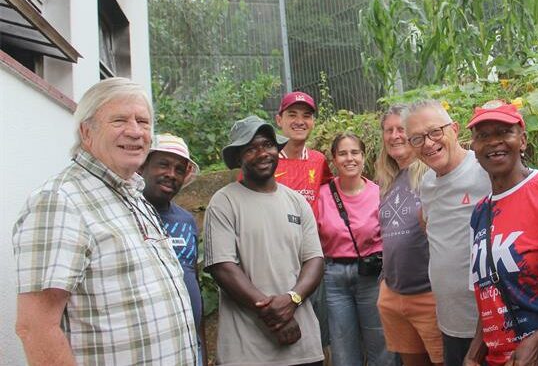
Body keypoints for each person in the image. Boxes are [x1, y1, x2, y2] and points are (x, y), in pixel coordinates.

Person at [13, 78, 197, 365]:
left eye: (143, 122)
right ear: (86, 132)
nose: (135, 132)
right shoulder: (61, 201)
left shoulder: (133, 194)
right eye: (120, 120)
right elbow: (35, 328)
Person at [204, 115, 325, 365]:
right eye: (251, 148)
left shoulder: (297, 201)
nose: (262, 153)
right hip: (247, 350)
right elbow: (222, 267)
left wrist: (292, 300)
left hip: (302, 344)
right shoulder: (224, 202)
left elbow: (314, 260)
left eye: (268, 145)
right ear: (238, 157)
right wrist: (274, 315)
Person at [463, 101, 538, 366]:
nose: (493, 142)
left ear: (522, 141)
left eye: (503, 132)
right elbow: (487, 291)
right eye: (483, 136)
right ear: (473, 148)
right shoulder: (479, 213)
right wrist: (474, 352)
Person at [404, 100, 491, 366]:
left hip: (490, 324)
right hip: (451, 324)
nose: (428, 143)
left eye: (435, 132)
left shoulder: (485, 171)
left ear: (454, 129)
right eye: (417, 138)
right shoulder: (427, 183)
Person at [316, 133, 395, 365]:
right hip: (334, 277)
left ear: (363, 156)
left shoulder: (379, 193)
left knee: (381, 341)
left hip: (371, 275)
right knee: (342, 346)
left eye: (354, 153)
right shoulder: (322, 196)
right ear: (334, 159)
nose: (349, 158)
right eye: (342, 153)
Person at [374, 105, 444, 366]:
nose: (394, 136)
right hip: (394, 293)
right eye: (388, 130)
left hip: (428, 293)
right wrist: (385, 283)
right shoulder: (388, 180)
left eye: (401, 129)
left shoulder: (432, 174)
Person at [139, 133, 206, 364]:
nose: (171, 174)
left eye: (179, 169)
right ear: (143, 166)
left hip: (190, 344)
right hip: (152, 350)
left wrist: (202, 347)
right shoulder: (129, 215)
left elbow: (193, 280)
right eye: (163, 165)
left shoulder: (186, 221)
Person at [274, 90, 333, 348]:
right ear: (279, 120)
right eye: (292, 114)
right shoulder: (267, 159)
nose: (300, 121)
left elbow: (331, 193)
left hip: (312, 256)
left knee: (318, 331)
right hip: (275, 256)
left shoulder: (319, 160)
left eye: (307, 115)